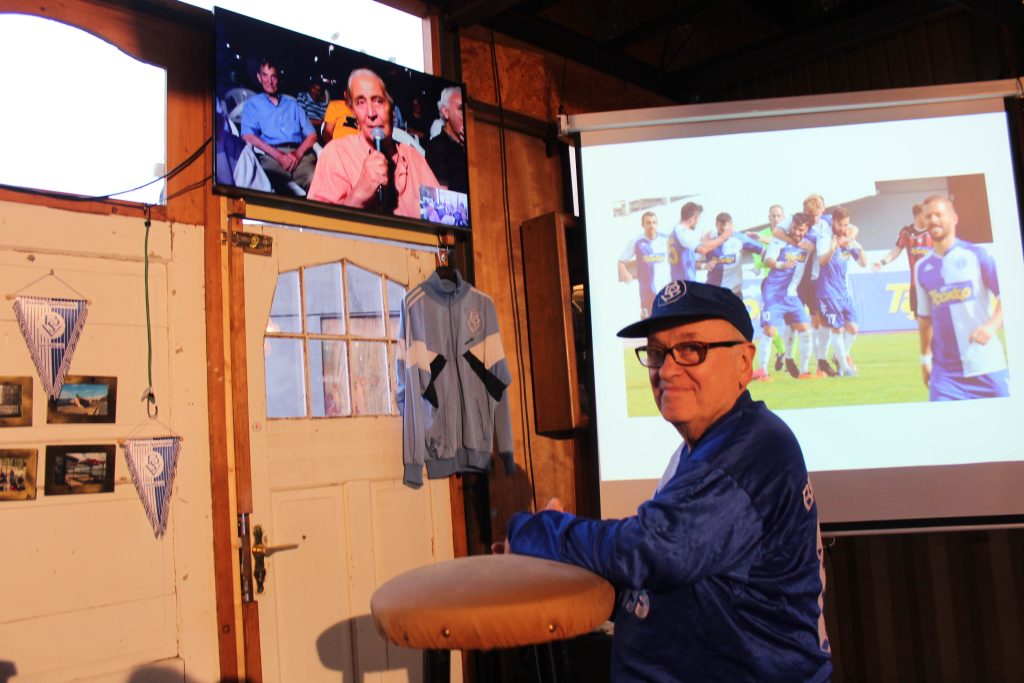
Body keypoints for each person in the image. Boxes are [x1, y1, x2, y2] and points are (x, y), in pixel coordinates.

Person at [495, 279, 832, 682]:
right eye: (656, 353)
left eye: (691, 349)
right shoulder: (701, 448)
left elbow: (655, 550)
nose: (667, 370)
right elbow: (669, 582)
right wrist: (552, 558)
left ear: (744, 362)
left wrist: (537, 532)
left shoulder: (754, 449)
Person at [307, 69, 440, 218]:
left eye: (378, 101)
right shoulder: (335, 153)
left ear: (392, 109)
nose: (371, 113)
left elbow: (441, 220)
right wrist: (359, 193)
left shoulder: (413, 158)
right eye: (361, 102)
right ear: (353, 112)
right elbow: (318, 225)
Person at [914, 195, 1009, 400]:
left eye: (938, 214)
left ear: (954, 218)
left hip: (987, 366)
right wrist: (925, 359)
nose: (933, 220)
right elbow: (925, 319)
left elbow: (1009, 297)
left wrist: (991, 326)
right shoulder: (921, 267)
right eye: (928, 216)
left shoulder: (977, 255)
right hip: (945, 377)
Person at [239, 59, 319, 195]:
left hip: (300, 157)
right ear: (259, 77)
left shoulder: (293, 105)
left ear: (278, 79)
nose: (269, 81)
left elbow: (312, 135)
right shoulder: (252, 105)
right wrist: (279, 156)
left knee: (319, 186)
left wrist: (297, 154)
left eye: (273, 76)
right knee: (267, 189)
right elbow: (247, 136)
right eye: (265, 75)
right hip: (271, 157)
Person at [757, 212, 816, 380]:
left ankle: (804, 372)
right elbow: (768, 260)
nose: (797, 232)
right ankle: (762, 372)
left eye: (801, 230)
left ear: (806, 229)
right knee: (769, 331)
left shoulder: (808, 245)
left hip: (792, 295)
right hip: (774, 293)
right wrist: (782, 264)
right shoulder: (779, 241)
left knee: (806, 331)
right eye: (795, 228)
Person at [816, 206, 867, 377]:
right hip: (828, 293)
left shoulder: (848, 240)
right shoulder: (825, 237)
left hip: (844, 293)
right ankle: (845, 368)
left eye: (846, 225)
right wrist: (834, 247)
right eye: (840, 225)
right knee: (837, 330)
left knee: (853, 328)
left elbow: (863, 263)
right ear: (834, 222)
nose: (843, 228)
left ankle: (839, 356)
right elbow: (822, 262)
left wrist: (859, 248)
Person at [872, 203, 933, 327]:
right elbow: (896, 250)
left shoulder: (932, 231)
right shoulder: (907, 232)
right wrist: (882, 262)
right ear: (917, 216)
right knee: (920, 321)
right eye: (925, 214)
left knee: (935, 320)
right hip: (915, 285)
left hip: (932, 284)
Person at [618, 211, 671, 318]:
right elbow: (621, 261)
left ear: (657, 224)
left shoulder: (666, 239)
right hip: (647, 292)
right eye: (648, 223)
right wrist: (625, 273)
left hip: (666, 290)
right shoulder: (636, 241)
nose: (651, 226)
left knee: (668, 320)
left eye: (654, 222)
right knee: (648, 321)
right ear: (642, 225)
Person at [667, 201, 733, 282]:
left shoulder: (674, 232)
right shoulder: (683, 232)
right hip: (685, 283)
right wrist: (723, 237)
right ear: (692, 218)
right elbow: (702, 249)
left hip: (678, 281)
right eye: (697, 218)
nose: (698, 222)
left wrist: (703, 265)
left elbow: (687, 260)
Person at [703, 211, 765, 297]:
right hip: (713, 292)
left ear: (731, 226)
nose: (724, 233)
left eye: (727, 230)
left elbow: (764, 251)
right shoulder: (708, 239)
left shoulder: (740, 239)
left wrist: (761, 266)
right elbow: (695, 261)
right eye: (721, 230)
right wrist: (703, 265)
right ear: (716, 225)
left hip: (733, 293)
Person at [424, 86, 468, 193]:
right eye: (460, 109)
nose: (466, 116)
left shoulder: (470, 145)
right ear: (445, 112)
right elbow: (442, 195)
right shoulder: (436, 148)